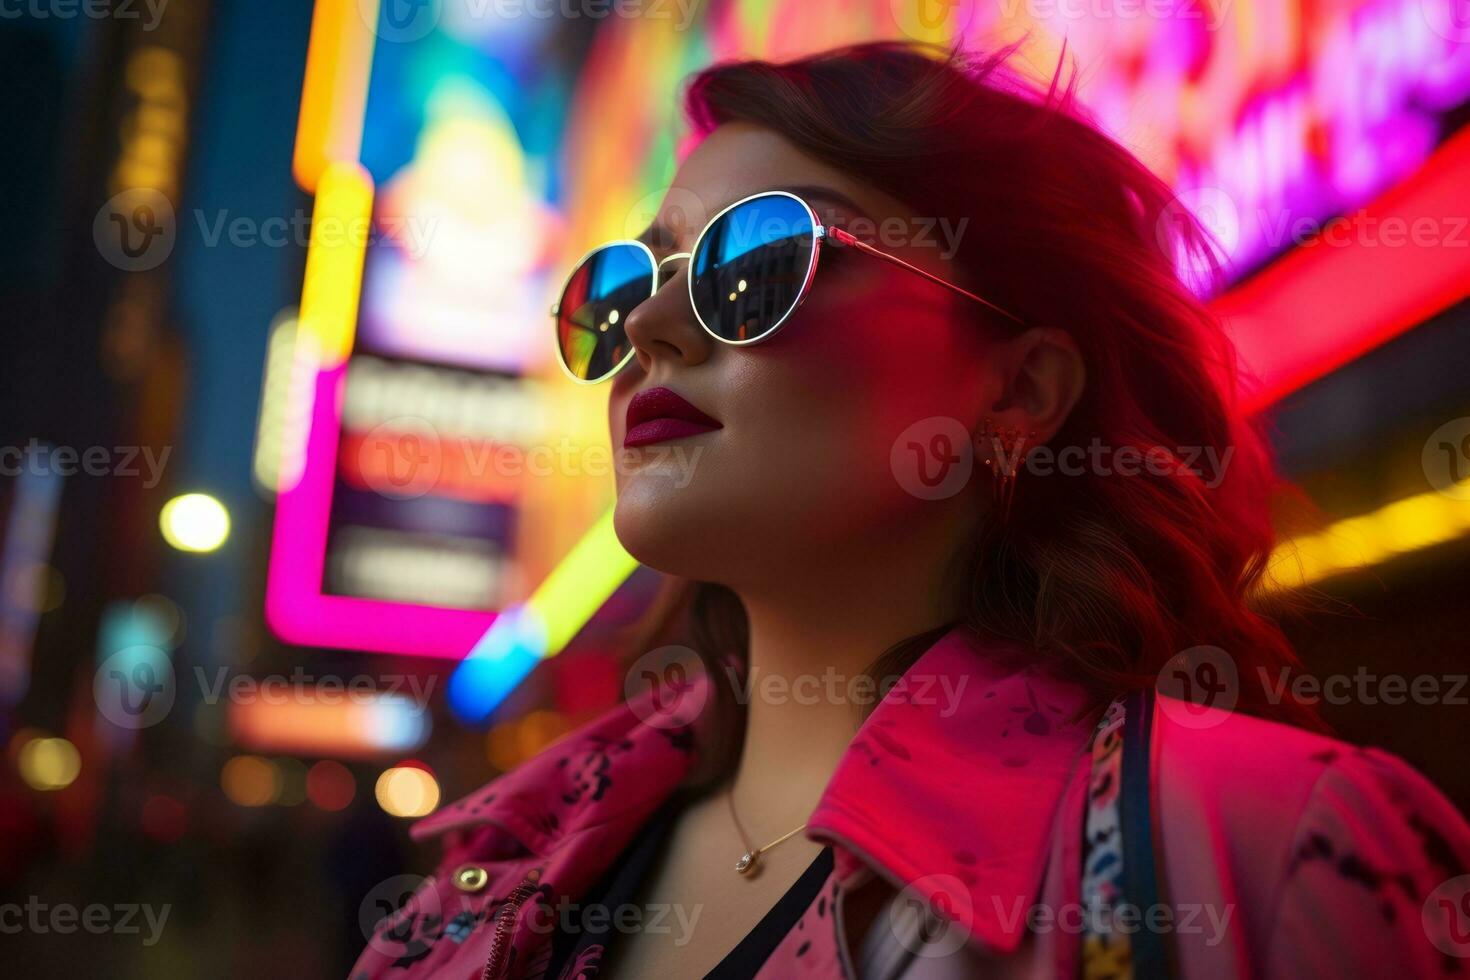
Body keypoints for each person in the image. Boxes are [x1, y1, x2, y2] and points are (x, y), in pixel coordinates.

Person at [349, 41, 1470, 979]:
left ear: (1020, 387)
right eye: (630, 280)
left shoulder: (1273, 852)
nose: (649, 329)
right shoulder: (500, 863)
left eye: (757, 261)